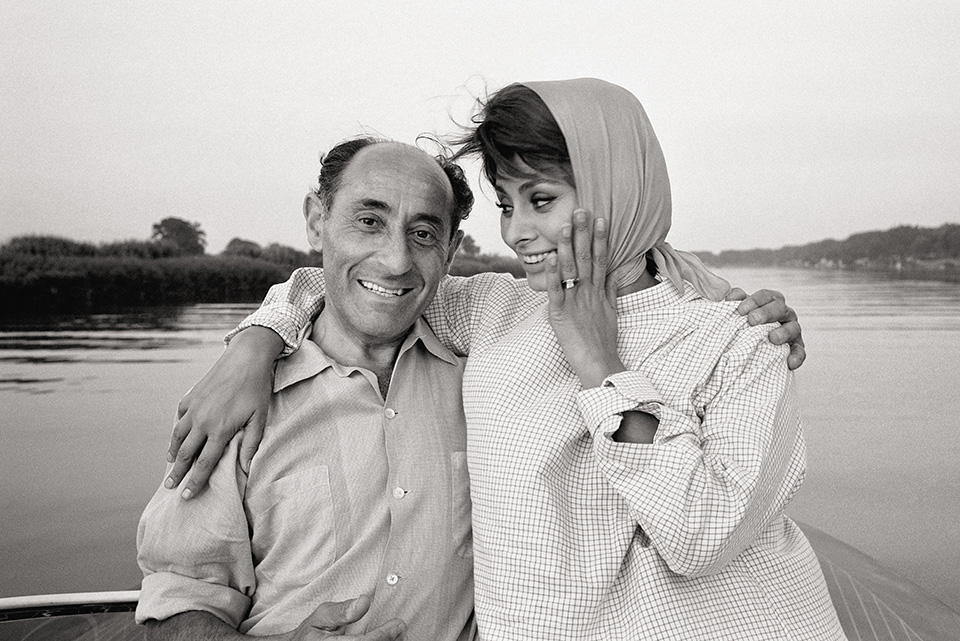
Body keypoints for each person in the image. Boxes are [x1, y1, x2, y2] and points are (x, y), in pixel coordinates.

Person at [167, 78, 843, 639]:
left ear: (618, 187)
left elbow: (700, 535)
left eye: (542, 199)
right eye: (506, 203)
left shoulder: (741, 339)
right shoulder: (495, 308)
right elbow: (367, 280)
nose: (518, 231)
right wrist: (257, 342)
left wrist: (603, 368)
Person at [136, 140, 478, 640]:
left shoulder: (488, 384)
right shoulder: (236, 403)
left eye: (423, 233)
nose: (395, 259)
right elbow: (177, 603)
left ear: (450, 250)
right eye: (369, 221)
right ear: (317, 222)